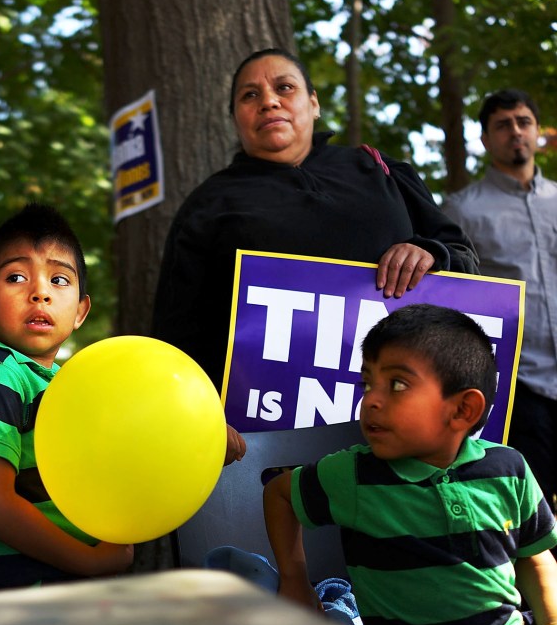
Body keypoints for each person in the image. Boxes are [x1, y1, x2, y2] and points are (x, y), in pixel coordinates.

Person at [151, 47, 479, 400]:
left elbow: (464, 259)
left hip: (401, 408)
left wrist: (430, 252)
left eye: (285, 88)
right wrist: (207, 415)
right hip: (266, 432)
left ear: (314, 104)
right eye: (250, 95)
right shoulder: (207, 205)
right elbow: (176, 336)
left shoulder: (378, 170)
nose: (269, 102)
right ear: (235, 118)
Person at [264, 304, 557, 625]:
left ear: (463, 409)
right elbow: (279, 494)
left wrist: (551, 623)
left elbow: (534, 557)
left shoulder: (510, 468)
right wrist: (294, 579)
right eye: (367, 384)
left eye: (398, 385)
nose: (371, 400)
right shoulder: (355, 474)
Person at [0, 203, 134, 588]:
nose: (40, 292)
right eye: (16, 277)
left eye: (59, 280)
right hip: (18, 588)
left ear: (80, 311)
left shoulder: (66, 384)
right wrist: (89, 561)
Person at [441, 89, 557, 519]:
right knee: (531, 511)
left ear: (537, 132)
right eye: (503, 125)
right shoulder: (461, 210)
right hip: (517, 381)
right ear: (486, 139)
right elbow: (452, 298)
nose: (515, 132)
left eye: (523, 122)